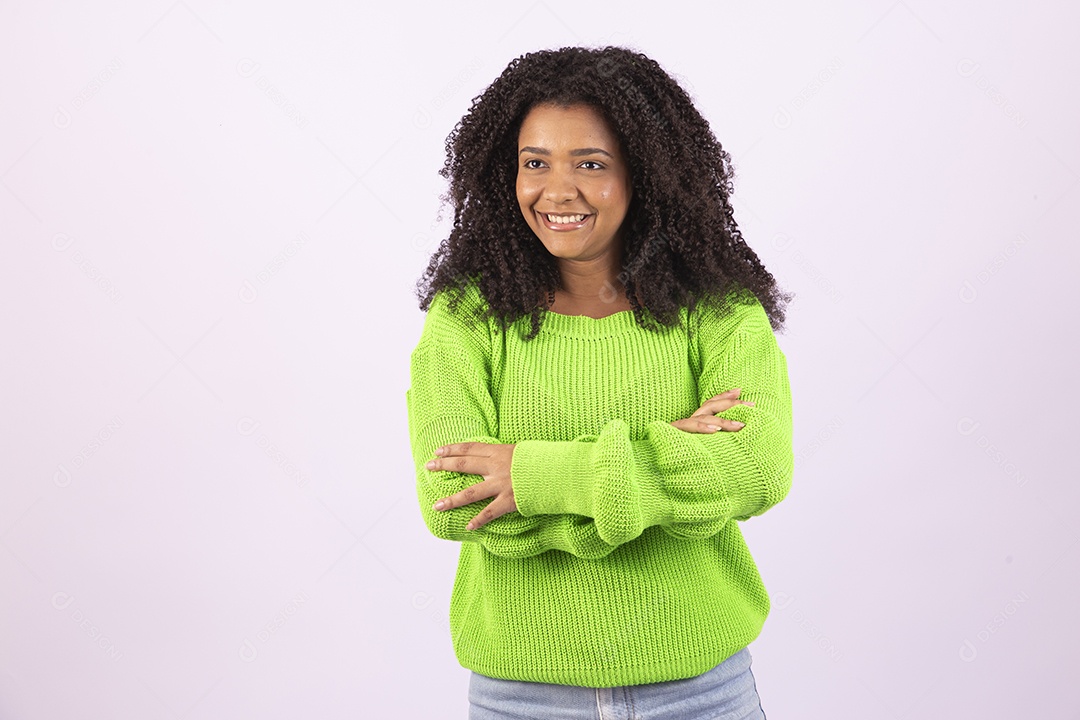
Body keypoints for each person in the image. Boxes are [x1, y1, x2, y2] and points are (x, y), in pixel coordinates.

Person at [406, 45, 794, 720]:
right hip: (519, 698)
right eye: (535, 163)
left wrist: (534, 478)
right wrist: (663, 458)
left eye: (591, 163)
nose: (558, 191)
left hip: (702, 691)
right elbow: (454, 499)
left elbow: (755, 467)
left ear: (646, 173)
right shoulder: (466, 318)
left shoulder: (719, 309)